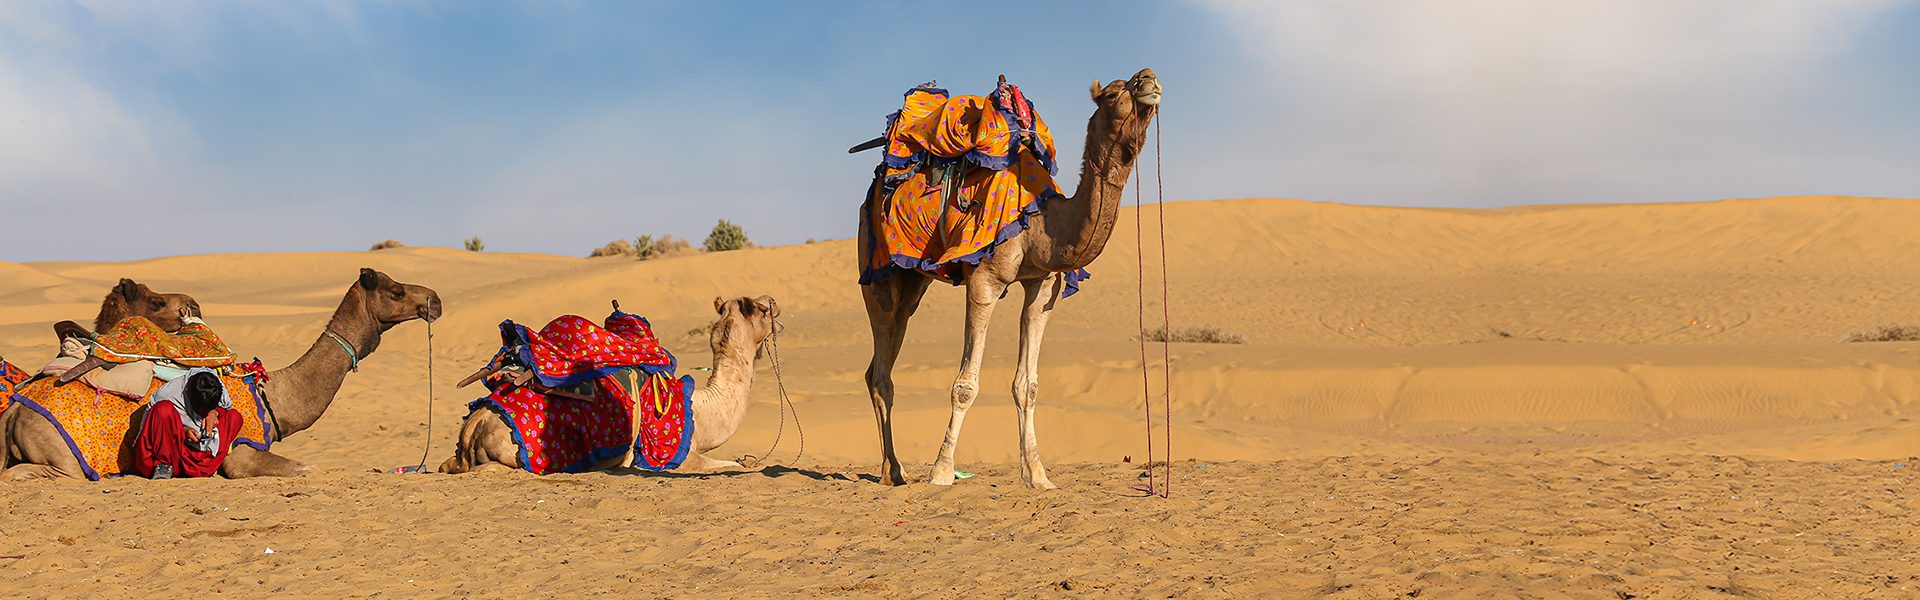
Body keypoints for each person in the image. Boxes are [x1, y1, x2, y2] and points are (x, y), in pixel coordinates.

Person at [132, 369, 242, 479]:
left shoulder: (216, 387)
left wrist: (214, 412)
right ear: (188, 393)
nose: (203, 413)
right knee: (163, 410)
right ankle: (164, 468)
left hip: (194, 456)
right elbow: (150, 430)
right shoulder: (167, 394)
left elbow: (225, 407)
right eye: (200, 409)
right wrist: (182, 430)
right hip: (171, 452)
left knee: (234, 418)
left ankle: (203, 468)